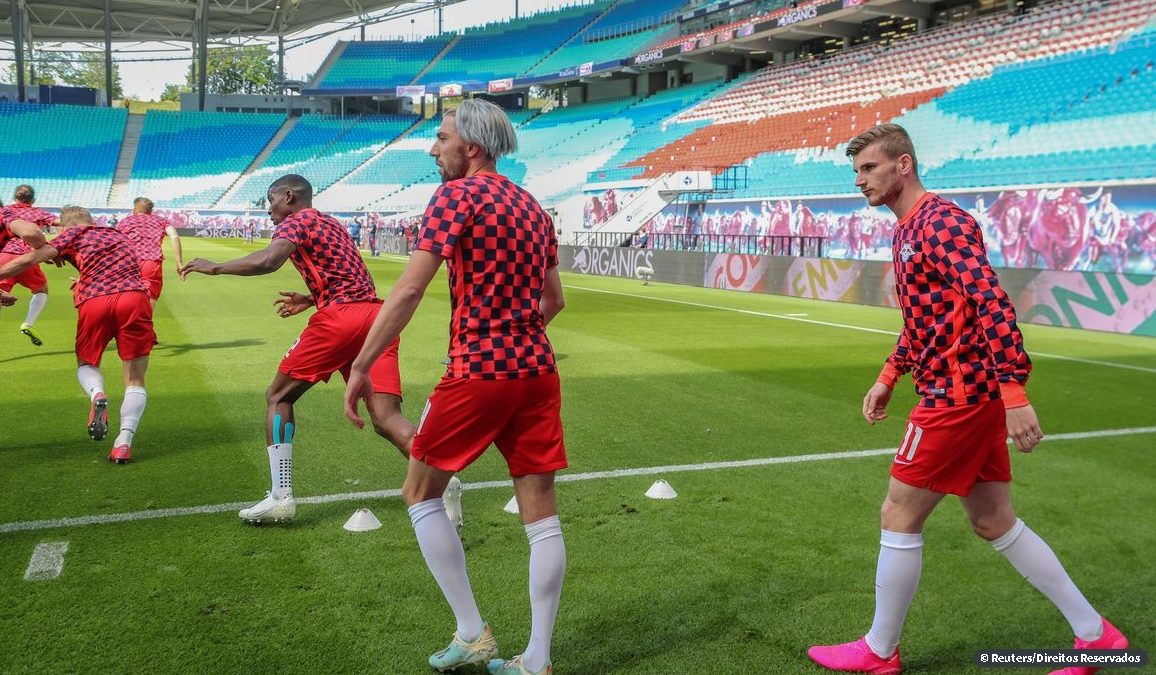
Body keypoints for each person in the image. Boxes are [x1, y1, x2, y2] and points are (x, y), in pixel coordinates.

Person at [807, 123, 1127, 675]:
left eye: (869, 168)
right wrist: (889, 374)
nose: (860, 181)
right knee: (993, 519)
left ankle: (880, 653)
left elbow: (992, 303)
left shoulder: (942, 223)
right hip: (956, 391)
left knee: (898, 513)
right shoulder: (907, 230)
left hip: (958, 397)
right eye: (856, 171)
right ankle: (1097, 636)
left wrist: (1014, 389)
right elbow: (925, 319)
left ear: (902, 165)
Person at [343, 99, 567, 675]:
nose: (432, 148)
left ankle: (472, 632)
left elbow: (410, 291)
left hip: (479, 370)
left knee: (420, 492)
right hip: (537, 371)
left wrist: (364, 365)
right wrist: (519, 337)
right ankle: (537, 658)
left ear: (471, 147)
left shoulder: (456, 196)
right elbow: (554, 300)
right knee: (541, 513)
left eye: (440, 138)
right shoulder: (534, 207)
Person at [179, 174, 417, 524]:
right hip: (376, 317)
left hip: (342, 320)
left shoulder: (298, 220)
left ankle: (280, 497)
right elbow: (348, 274)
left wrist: (214, 267)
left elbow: (269, 260)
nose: (269, 210)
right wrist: (311, 297)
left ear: (288, 197)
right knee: (385, 417)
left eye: (270, 200)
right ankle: (442, 480)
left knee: (279, 396)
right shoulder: (329, 222)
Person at [0, 206, 154, 464]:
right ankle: (123, 442)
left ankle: (97, 394)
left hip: (95, 301)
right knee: (135, 379)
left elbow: (27, 260)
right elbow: (120, 268)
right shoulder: (117, 234)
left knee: (87, 363)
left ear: (65, 226)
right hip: (135, 299)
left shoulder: (72, 234)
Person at [0, 185, 58, 346]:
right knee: (41, 289)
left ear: (14, 197)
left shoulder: (6, 210)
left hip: (4, 255)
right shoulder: (36, 212)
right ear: (33, 199)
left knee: (1, 294)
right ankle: (28, 323)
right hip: (27, 256)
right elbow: (58, 222)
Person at [116, 197, 185, 308]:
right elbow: (174, 236)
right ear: (150, 211)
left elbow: (116, 242)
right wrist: (179, 263)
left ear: (134, 210)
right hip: (151, 263)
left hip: (129, 263)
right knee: (148, 303)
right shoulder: (161, 221)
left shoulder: (124, 222)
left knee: (127, 300)